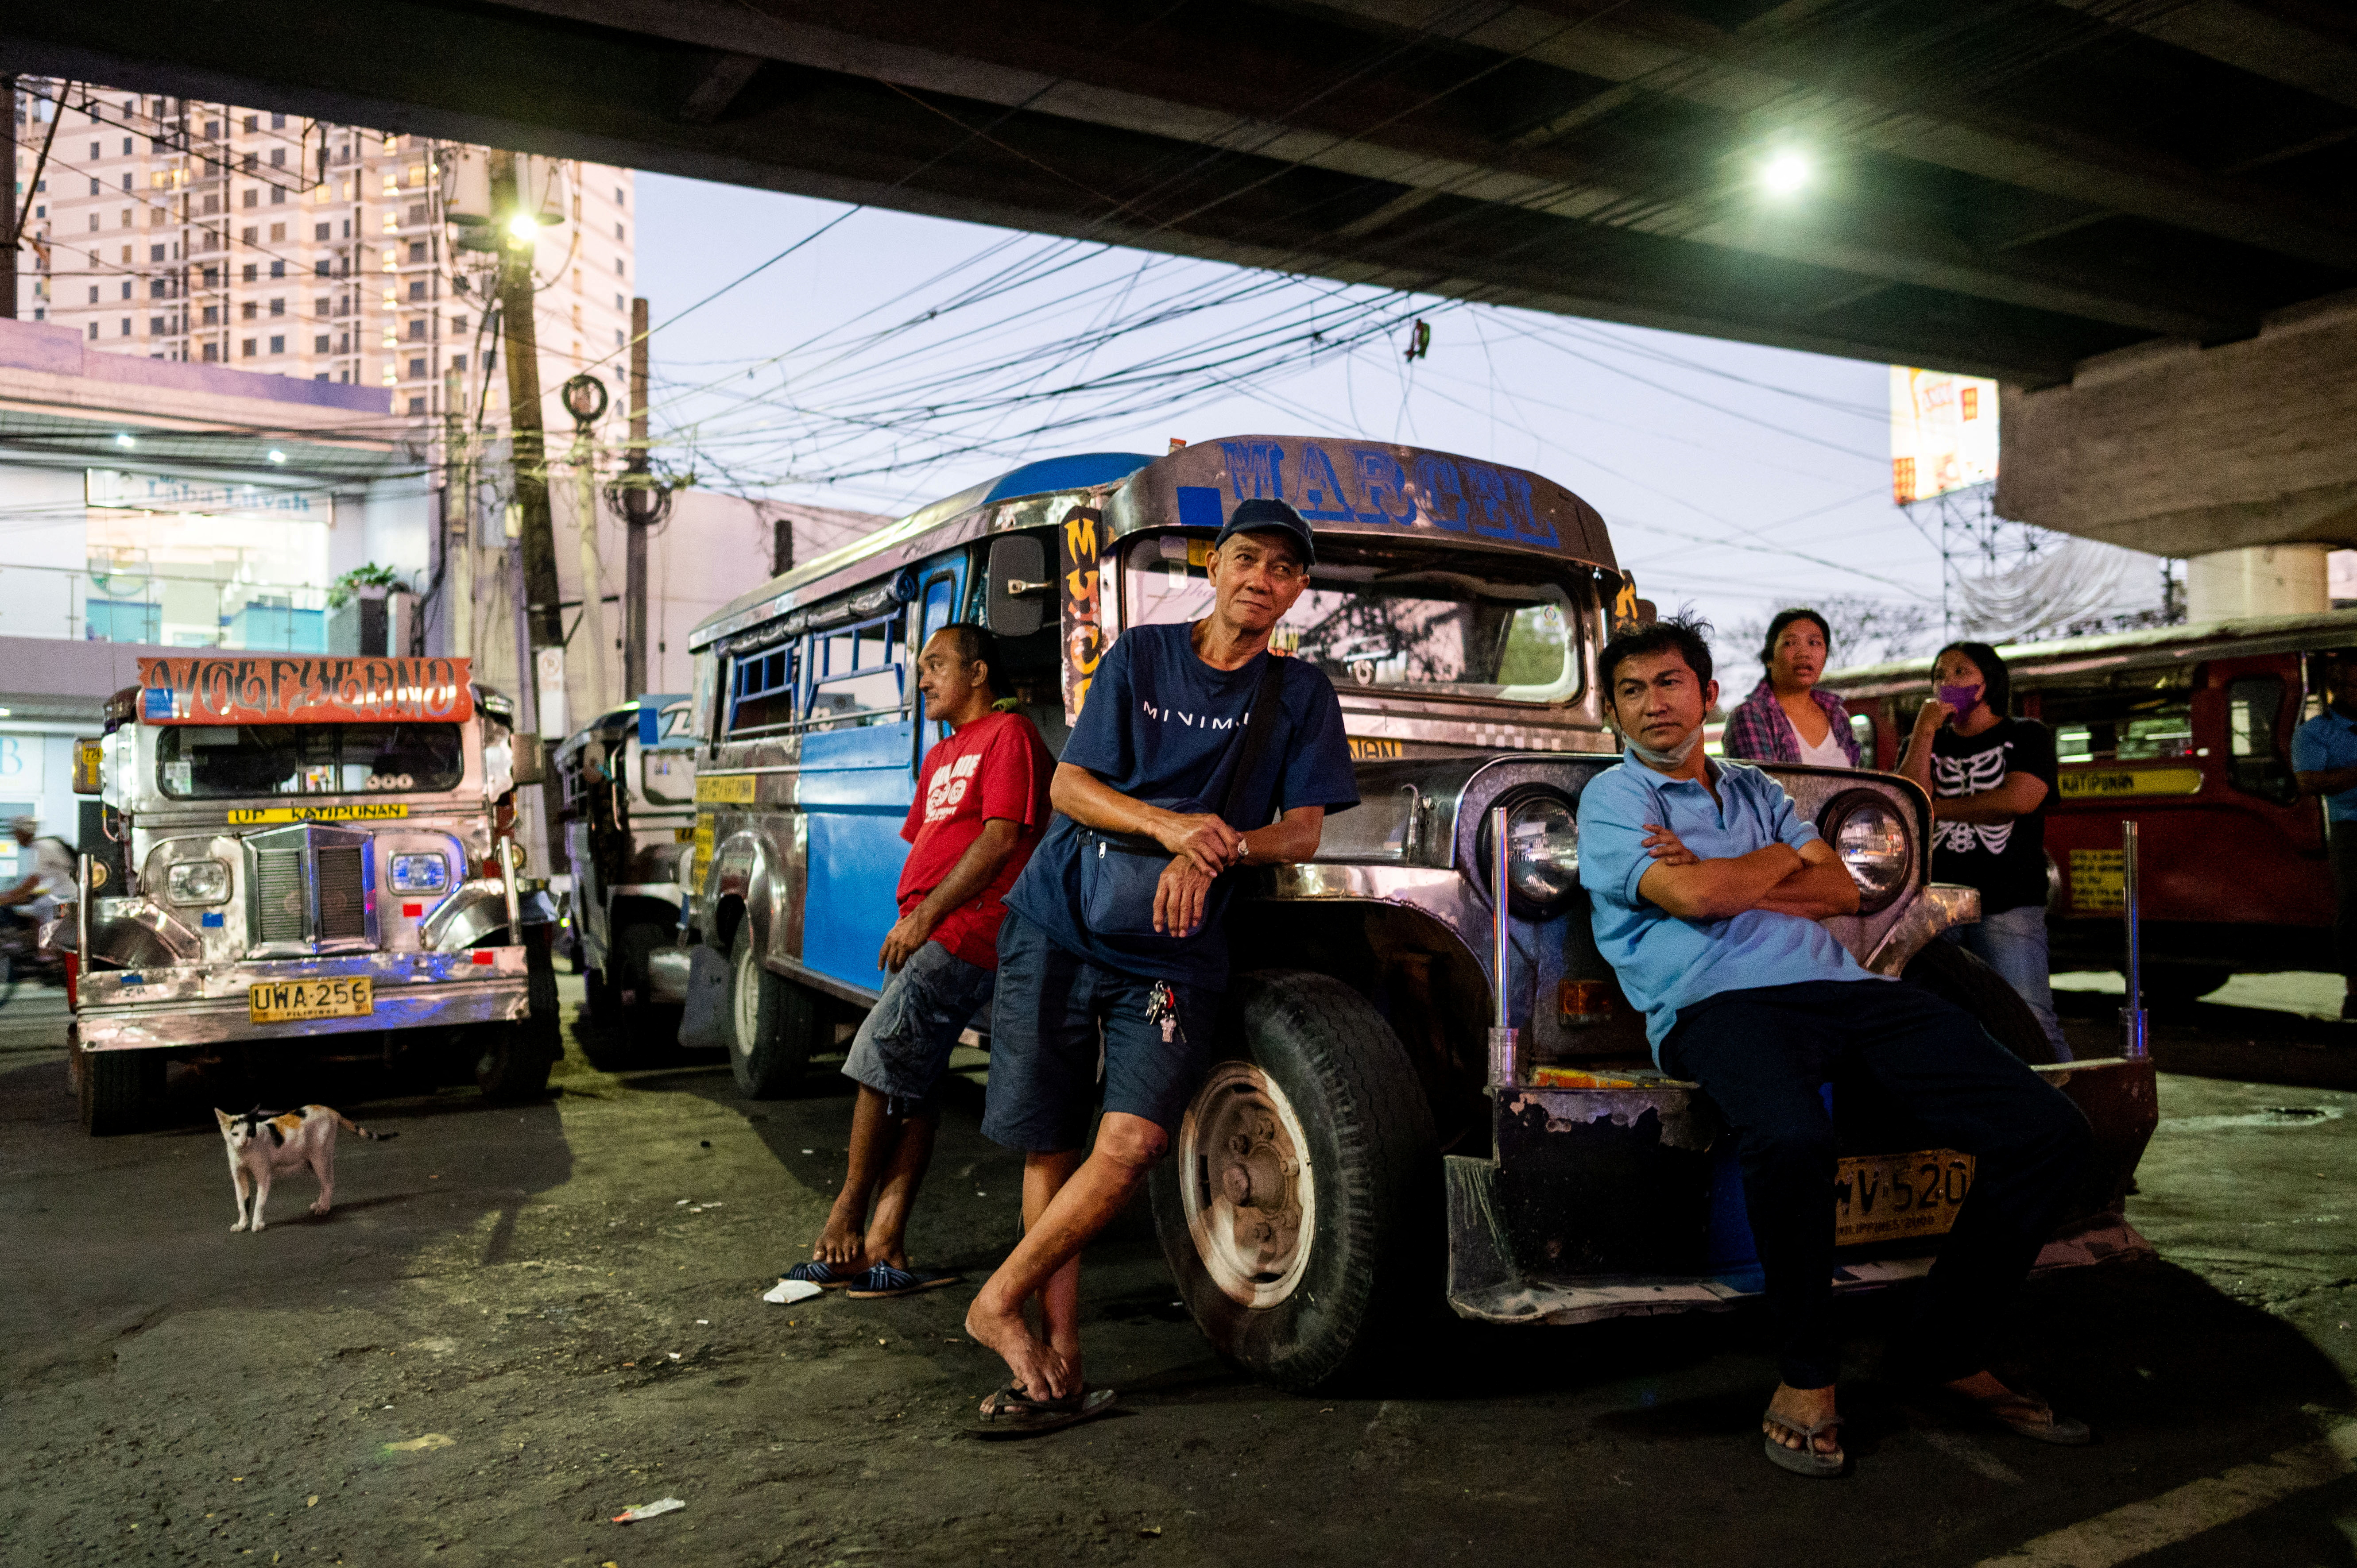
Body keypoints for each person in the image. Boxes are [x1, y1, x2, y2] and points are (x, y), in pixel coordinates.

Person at [1576, 615, 2092, 1479]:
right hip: (1713, 1004)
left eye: (1669, 683)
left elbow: (1843, 894)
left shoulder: (1755, 793)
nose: (1652, 704)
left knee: (2051, 1129)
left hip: (1843, 991)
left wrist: (1751, 872)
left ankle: (1944, 1345)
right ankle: (1806, 1379)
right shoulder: (1615, 799)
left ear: (1706, 695)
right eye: (1631, 691)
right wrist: (1774, 874)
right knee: (1793, 1136)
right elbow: (1697, 896)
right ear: (1614, 713)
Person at [964, 495, 1358, 1431]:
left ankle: (994, 1302)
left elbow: (1300, 831)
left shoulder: (1300, 694)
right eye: (1249, 560)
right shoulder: (1140, 656)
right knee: (1052, 1137)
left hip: (1178, 940)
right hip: (1060, 918)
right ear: (1213, 567)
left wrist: (1210, 850)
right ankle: (1053, 1364)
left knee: (1134, 1141)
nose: (1263, 580)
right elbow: (1070, 785)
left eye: (1285, 571)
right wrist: (1171, 826)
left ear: (1297, 592)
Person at [782, 625, 1053, 1299]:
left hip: (969, 927)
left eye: (935, 665)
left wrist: (925, 917)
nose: (922, 679)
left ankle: (846, 1217)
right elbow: (933, 841)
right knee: (915, 1087)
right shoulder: (941, 755)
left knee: (877, 1062)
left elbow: (999, 841)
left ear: (979, 673)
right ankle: (886, 1247)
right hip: (926, 929)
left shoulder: (1009, 737)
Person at [1897, 641, 2070, 1061]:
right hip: (1936, 906)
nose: (1947, 682)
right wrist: (1923, 731)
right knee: (1941, 1020)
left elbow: (2020, 798)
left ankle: (2067, 1110)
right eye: (1939, 674)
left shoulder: (2026, 735)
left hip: (2006, 901)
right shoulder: (1923, 741)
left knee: (2028, 1018)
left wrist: (1938, 809)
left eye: (1960, 672)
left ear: (1988, 681)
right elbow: (1906, 800)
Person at [2291, 652, 2357, 1020]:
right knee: (2355, 909)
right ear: (2338, 690)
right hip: (2351, 826)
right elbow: (2307, 781)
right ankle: (2355, 991)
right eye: (2353, 684)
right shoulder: (2315, 732)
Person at [1721, 608, 1863, 767]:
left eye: (1814, 643)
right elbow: (1763, 789)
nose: (1804, 653)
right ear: (1770, 659)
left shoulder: (1838, 715)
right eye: (1790, 643)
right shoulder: (1750, 716)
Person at [0, 818, 76, 928]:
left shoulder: (43, 847)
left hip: (64, 899)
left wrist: (7, 898)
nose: (16, 838)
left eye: (16, 834)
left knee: (48, 935)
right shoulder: (46, 843)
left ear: (24, 833)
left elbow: (33, 881)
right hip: (64, 897)